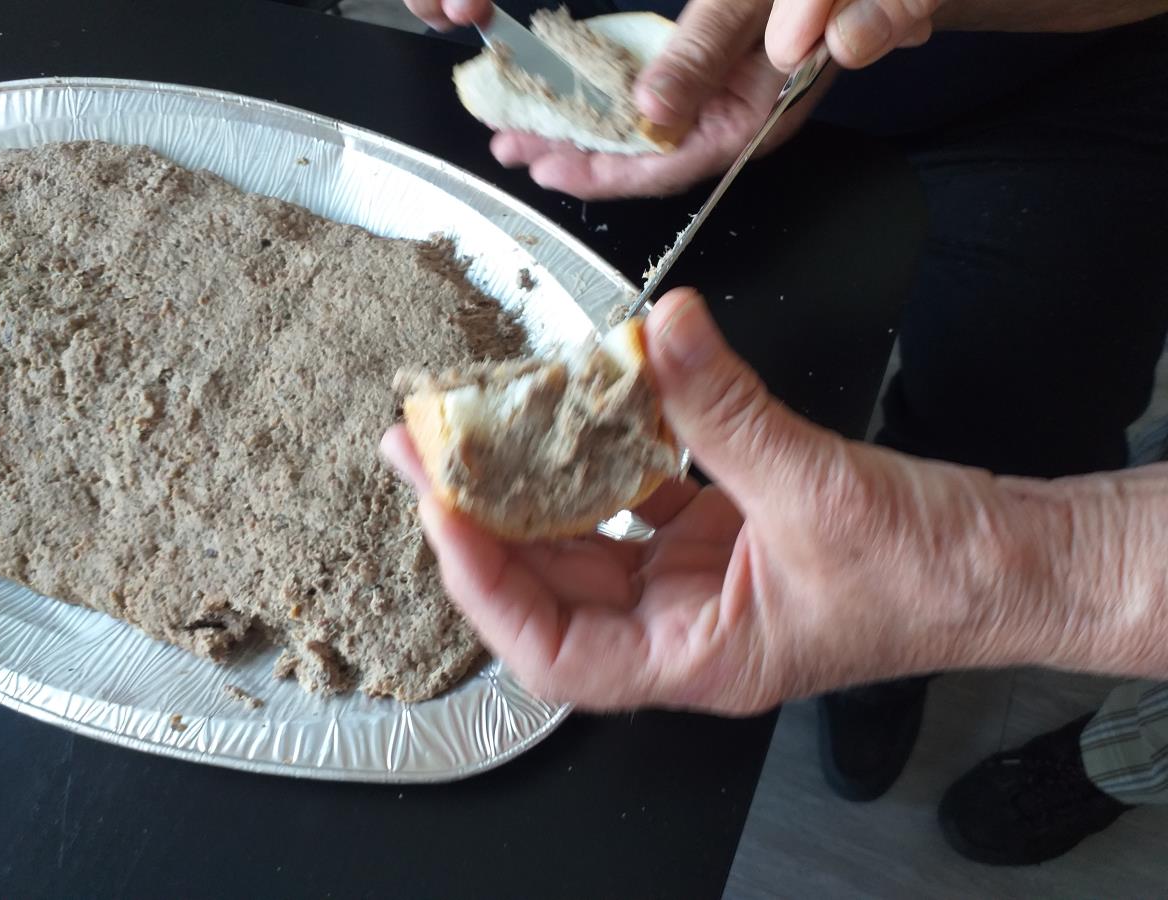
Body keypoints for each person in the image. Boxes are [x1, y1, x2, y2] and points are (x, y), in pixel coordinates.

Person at [393, 0, 1168, 865]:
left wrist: (971, 575)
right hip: (637, 69)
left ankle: (891, 654)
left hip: (1045, 80)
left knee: (1029, 422)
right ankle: (883, 622)